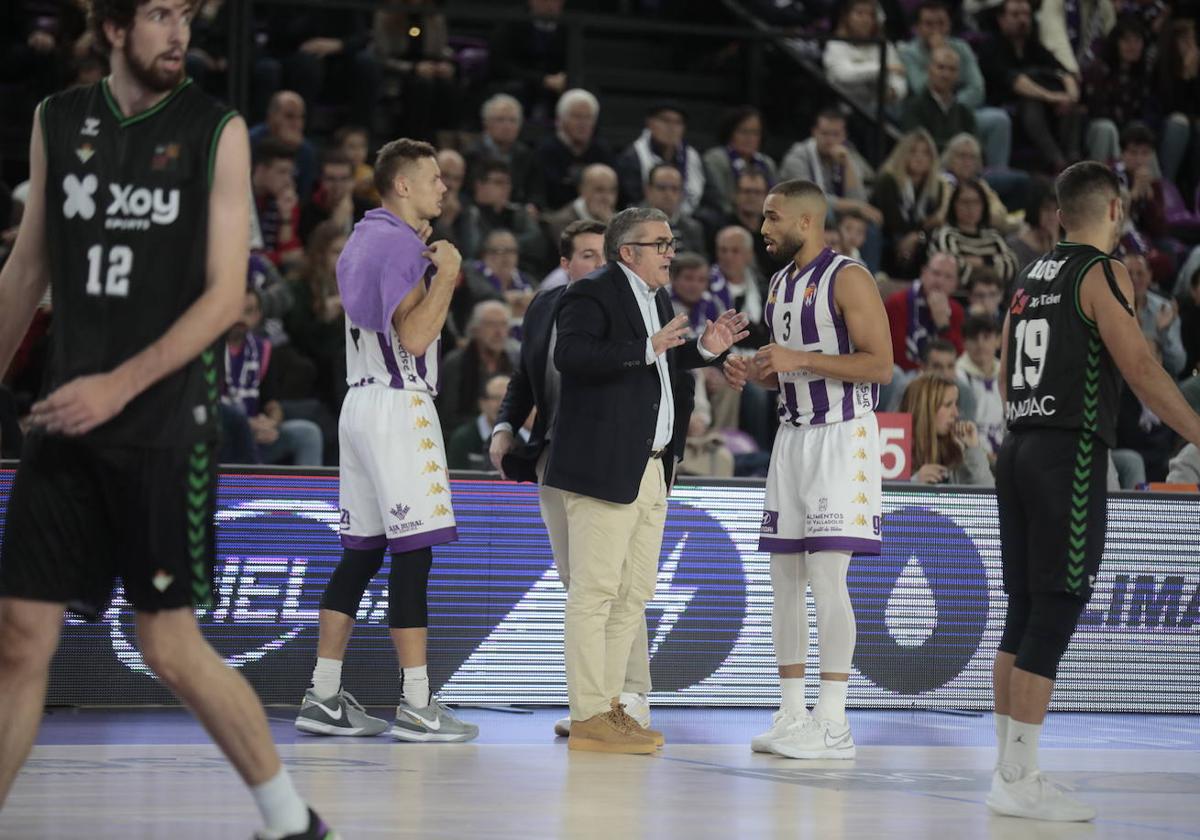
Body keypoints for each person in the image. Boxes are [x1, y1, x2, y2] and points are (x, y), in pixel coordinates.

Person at [0, 2, 334, 837]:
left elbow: (227, 295)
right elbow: (26, 267)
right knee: (18, 637)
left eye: (185, 14)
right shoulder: (57, 119)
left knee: (169, 647)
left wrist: (118, 385)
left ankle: (291, 821)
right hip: (63, 413)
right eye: (157, 13)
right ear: (113, 26)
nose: (177, 31)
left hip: (160, 423)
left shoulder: (216, 129)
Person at [990, 161, 1200, 821]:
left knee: (1024, 607)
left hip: (1018, 444)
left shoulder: (1029, 275)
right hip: (1066, 450)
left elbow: (1002, 373)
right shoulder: (1103, 271)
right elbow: (1139, 366)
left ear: (1058, 213)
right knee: (1056, 606)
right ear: (1113, 211)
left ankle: (1010, 770)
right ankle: (1019, 779)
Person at [295, 138, 478, 744]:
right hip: (400, 407)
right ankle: (418, 704)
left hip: (359, 403)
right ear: (402, 185)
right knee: (412, 555)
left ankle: (323, 694)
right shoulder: (402, 244)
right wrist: (448, 274)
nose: (444, 187)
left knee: (363, 552)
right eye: (433, 178)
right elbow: (419, 335)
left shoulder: (361, 237)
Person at [545, 206, 746, 754]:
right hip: (603, 465)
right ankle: (587, 711)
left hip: (654, 466)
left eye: (670, 243)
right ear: (626, 251)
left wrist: (704, 350)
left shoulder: (657, 299)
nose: (670, 253)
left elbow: (660, 373)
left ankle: (608, 707)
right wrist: (646, 348)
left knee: (633, 595)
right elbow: (573, 355)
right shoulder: (590, 292)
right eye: (659, 244)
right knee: (594, 593)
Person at [723, 179, 893, 761]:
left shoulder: (848, 276)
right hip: (791, 438)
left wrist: (798, 358)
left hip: (842, 437)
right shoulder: (778, 284)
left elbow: (881, 364)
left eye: (772, 218)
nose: (763, 227)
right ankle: (792, 712)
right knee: (785, 583)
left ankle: (835, 720)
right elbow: (793, 367)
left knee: (827, 578)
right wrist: (761, 370)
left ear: (805, 221)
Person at [488, 219, 611, 739]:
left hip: (606, 462)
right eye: (586, 255)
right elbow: (524, 375)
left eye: (604, 255)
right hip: (552, 458)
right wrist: (504, 425)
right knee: (575, 584)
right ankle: (590, 702)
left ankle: (607, 704)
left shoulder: (628, 307)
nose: (597, 265)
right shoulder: (542, 305)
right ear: (565, 264)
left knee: (601, 586)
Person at [900, 374, 994, 485]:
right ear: (925, 409)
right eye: (948, 405)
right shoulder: (896, 450)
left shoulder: (956, 450)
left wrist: (973, 448)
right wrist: (914, 483)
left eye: (956, 404)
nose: (956, 413)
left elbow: (986, 495)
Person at [929, 178, 1019, 287]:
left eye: (976, 202)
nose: (971, 208)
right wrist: (993, 268)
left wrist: (981, 261)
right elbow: (949, 273)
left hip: (994, 297)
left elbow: (1011, 268)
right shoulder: (946, 236)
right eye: (964, 202)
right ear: (954, 205)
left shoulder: (994, 237)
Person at [957, 314, 1005, 457]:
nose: (980, 344)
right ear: (964, 342)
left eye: (986, 337)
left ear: (998, 340)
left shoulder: (1009, 374)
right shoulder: (956, 376)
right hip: (970, 454)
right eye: (973, 338)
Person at [447, 373, 511, 470]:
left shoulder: (519, 439)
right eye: (496, 398)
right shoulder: (462, 439)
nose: (502, 404)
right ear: (482, 403)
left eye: (507, 398)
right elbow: (455, 480)